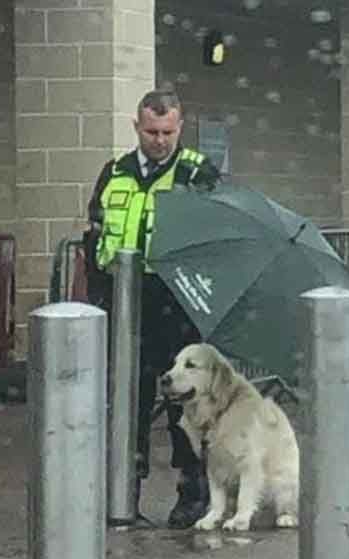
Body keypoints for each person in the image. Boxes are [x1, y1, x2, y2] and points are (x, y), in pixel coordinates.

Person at [83, 90, 221, 528]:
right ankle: (124, 492)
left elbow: (212, 237)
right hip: (124, 301)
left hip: (177, 303)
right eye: (151, 132)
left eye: (167, 132)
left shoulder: (196, 172)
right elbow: (96, 235)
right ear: (136, 127)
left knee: (186, 401)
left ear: (180, 128)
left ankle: (192, 492)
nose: (159, 141)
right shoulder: (115, 173)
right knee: (128, 400)